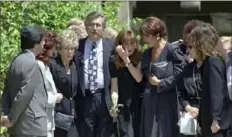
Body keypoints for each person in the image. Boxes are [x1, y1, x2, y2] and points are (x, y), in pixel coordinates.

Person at [139, 16, 185, 137]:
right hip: (150, 102)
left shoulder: (173, 50)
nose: (144, 39)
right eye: (143, 35)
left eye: (147, 36)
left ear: (158, 35)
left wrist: (161, 82)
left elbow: (179, 75)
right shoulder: (146, 53)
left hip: (167, 103)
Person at [0, 25, 48, 137]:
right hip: (32, 127)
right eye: (43, 41)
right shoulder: (31, 63)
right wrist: (11, 118)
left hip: (17, 127)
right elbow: (24, 94)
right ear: (35, 43)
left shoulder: (15, 61)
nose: (44, 44)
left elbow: (6, 92)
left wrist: (6, 115)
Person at [74, 11, 115, 137]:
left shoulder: (111, 46)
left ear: (103, 28)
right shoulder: (77, 46)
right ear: (86, 26)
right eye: (91, 24)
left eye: (98, 25)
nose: (94, 28)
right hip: (84, 97)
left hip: (104, 97)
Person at [188, 22, 232, 137]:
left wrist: (215, 119)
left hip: (216, 124)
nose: (191, 45)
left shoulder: (213, 61)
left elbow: (216, 92)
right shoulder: (209, 61)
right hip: (211, 121)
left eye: (193, 42)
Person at [109, 29, 142, 137]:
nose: (130, 47)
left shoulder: (140, 56)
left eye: (132, 43)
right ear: (119, 45)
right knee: (125, 133)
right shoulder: (114, 60)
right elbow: (114, 86)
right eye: (126, 44)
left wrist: (126, 58)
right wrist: (114, 105)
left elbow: (138, 78)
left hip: (139, 103)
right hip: (123, 103)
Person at [50, 29, 79, 137]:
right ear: (59, 49)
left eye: (72, 48)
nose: (70, 52)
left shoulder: (74, 65)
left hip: (72, 116)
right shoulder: (52, 64)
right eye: (66, 48)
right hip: (57, 116)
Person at [36, 31, 63, 137]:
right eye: (54, 47)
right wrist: (54, 98)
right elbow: (37, 96)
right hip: (41, 121)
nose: (55, 50)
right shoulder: (39, 66)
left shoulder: (46, 65)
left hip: (47, 119)